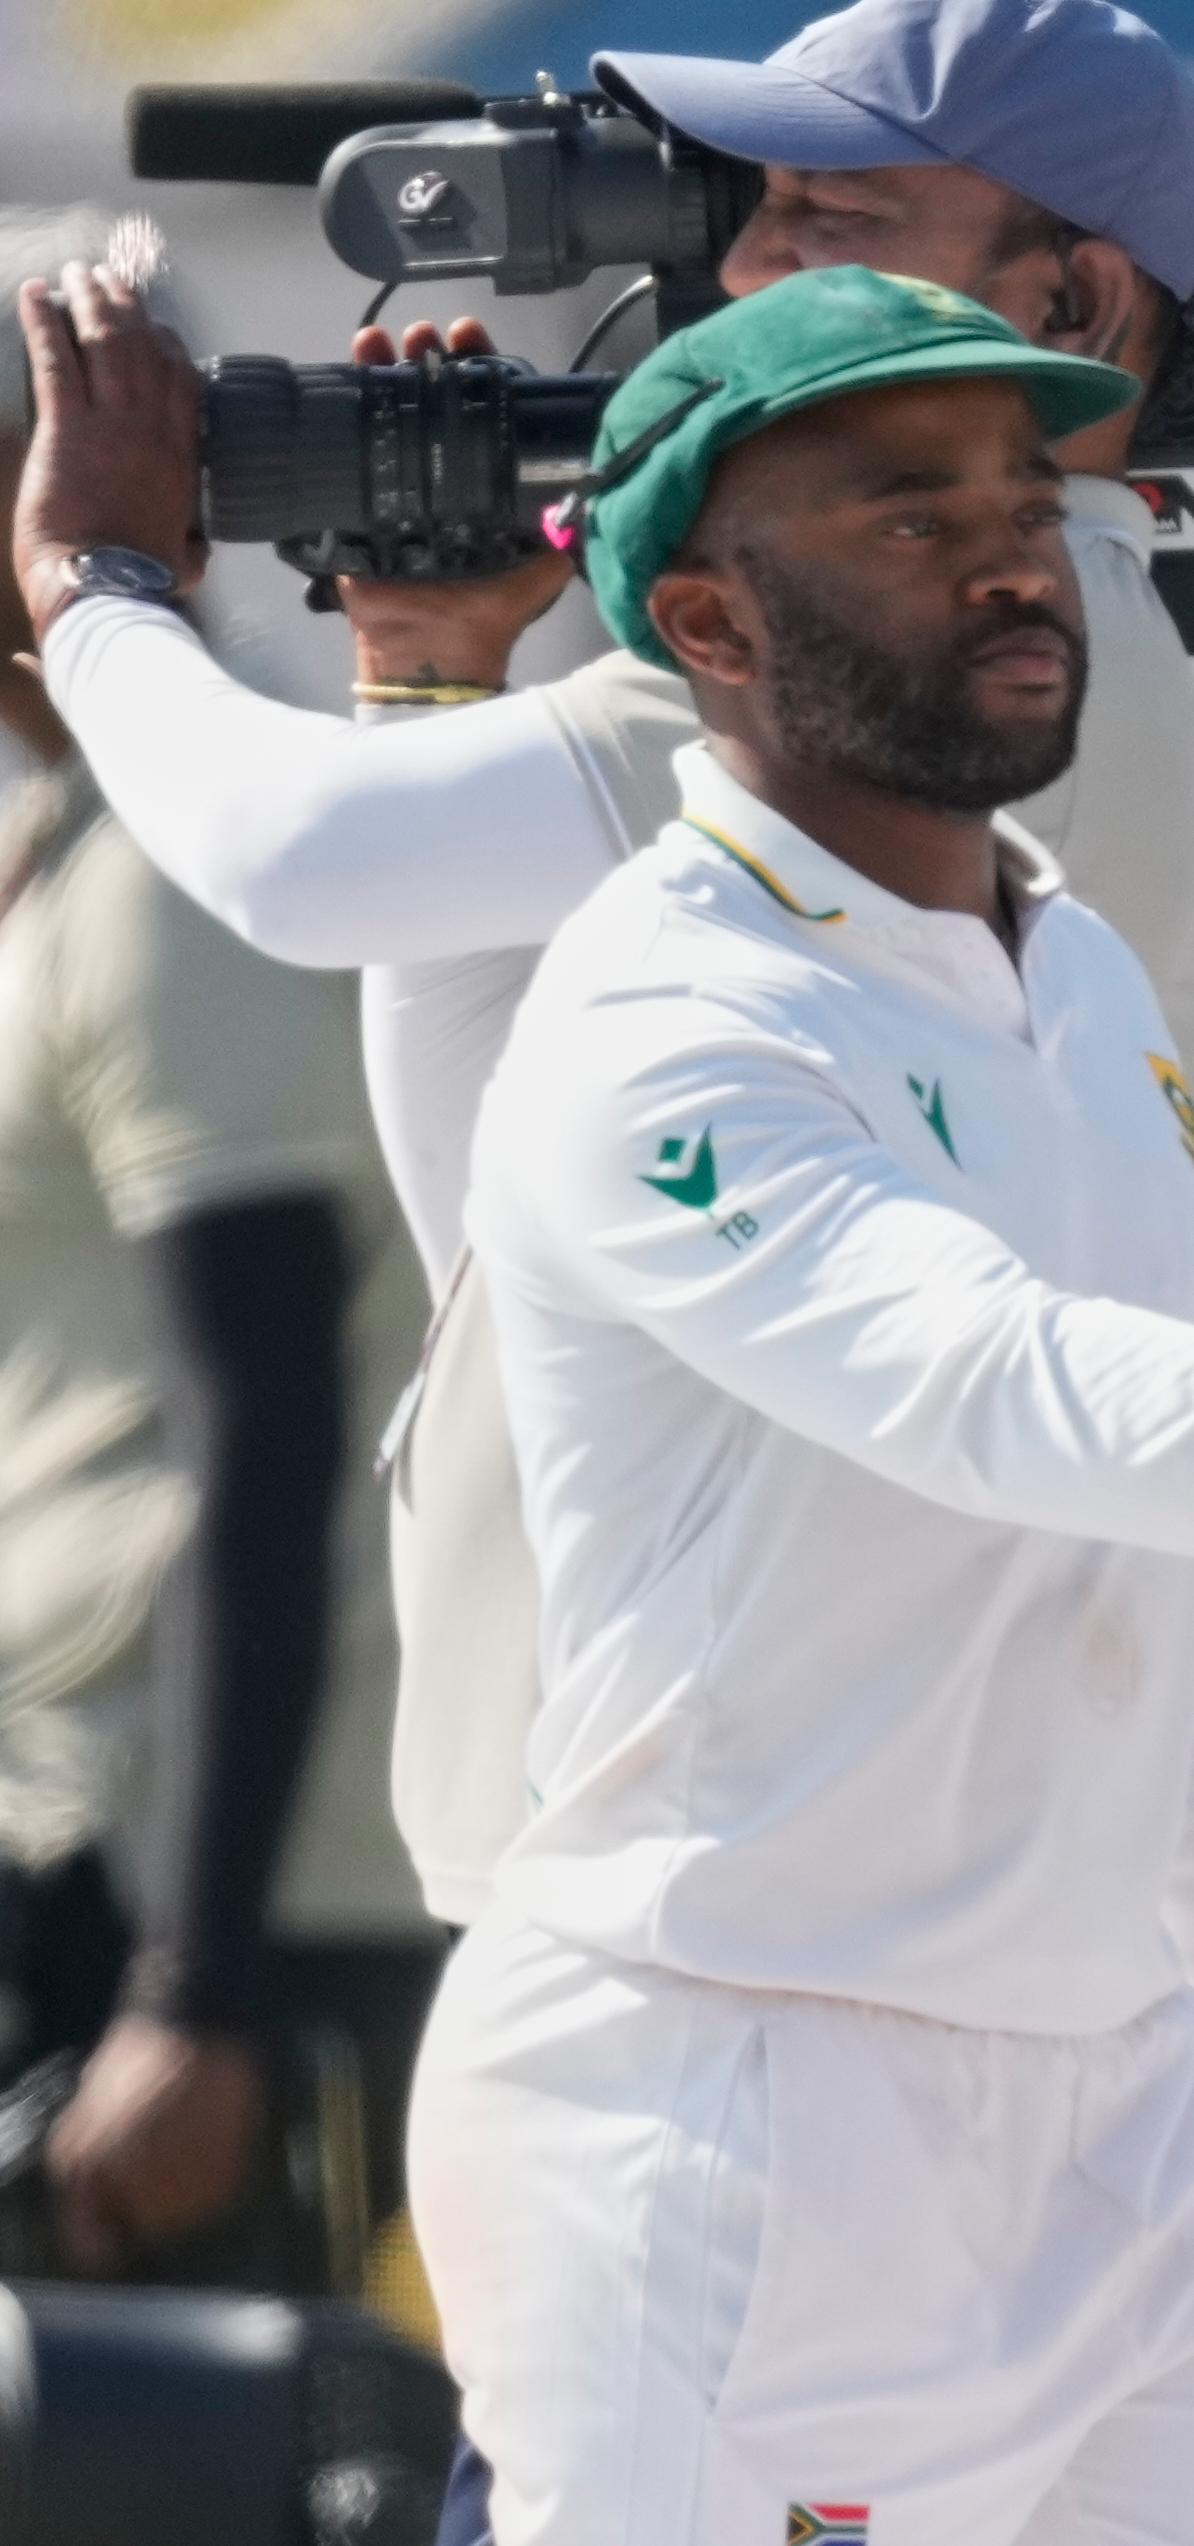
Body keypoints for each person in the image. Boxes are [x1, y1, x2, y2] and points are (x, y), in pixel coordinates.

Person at [80, 262, 1194, 2546]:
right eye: (899, 510)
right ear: (703, 618)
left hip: (1136, 2117)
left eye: (1015, 483)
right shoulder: (660, 1015)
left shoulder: (1067, 970)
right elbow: (1010, 1394)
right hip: (736, 2116)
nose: (1003, 546)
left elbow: (1155, 1577)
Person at [0, 208, 441, 2292]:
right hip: (84, 1821)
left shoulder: (192, 855)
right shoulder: (73, 841)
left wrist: (193, 1990)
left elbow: (266, 1420)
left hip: (198, 1894)